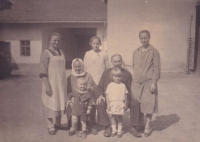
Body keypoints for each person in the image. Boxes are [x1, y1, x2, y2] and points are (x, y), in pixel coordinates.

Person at [96, 54, 143, 138]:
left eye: (119, 61)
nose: (117, 63)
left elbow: (129, 90)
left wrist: (127, 101)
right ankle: (107, 127)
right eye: (115, 61)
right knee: (100, 103)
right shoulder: (106, 72)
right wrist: (100, 95)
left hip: (122, 99)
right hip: (109, 100)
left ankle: (133, 127)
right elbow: (100, 87)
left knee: (135, 103)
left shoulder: (127, 74)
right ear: (111, 62)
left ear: (121, 62)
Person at [131, 30, 161, 137]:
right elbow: (134, 66)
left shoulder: (154, 51)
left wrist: (154, 82)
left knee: (149, 104)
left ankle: (147, 126)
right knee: (137, 105)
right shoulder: (136, 51)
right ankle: (139, 124)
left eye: (145, 38)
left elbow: (157, 68)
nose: (143, 40)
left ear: (149, 38)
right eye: (141, 38)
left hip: (149, 83)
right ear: (139, 39)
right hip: (136, 83)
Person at [39, 33, 67, 135]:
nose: (57, 42)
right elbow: (43, 72)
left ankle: (58, 123)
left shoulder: (61, 52)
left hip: (61, 83)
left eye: (58, 40)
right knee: (50, 102)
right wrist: (47, 86)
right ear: (49, 40)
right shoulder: (46, 53)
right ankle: (50, 125)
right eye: (54, 40)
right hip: (51, 83)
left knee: (59, 102)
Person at [66, 58, 97, 135]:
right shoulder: (70, 77)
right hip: (75, 97)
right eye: (75, 67)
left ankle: (91, 125)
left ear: (82, 66)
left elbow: (90, 88)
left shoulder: (88, 76)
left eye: (79, 66)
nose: (77, 68)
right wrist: (71, 100)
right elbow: (69, 91)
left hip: (86, 96)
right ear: (73, 67)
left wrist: (84, 97)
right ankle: (73, 126)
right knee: (68, 106)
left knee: (91, 105)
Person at [106, 68, 128, 138]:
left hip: (120, 103)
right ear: (112, 77)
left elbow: (125, 95)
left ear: (121, 77)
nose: (117, 78)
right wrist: (108, 104)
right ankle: (114, 130)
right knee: (113, 117)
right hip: (112, 103)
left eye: (119, 76)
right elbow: (107, 95)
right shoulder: (110, 85)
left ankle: (119, 131)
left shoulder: (123, 85)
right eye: (115, 76)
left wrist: (125, 104)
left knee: (120, 117)